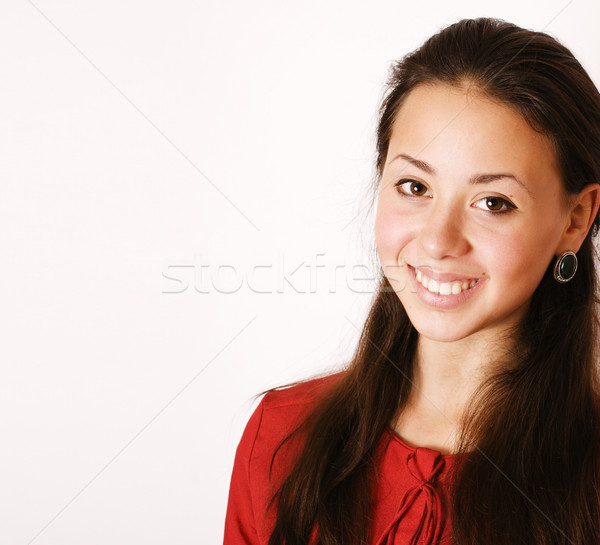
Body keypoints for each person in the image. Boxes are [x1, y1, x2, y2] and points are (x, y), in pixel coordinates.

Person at [223, 17, 600, 545]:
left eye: (493, 202)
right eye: (414, 186)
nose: (439, 240)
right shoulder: (282, 438)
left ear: (575, 219)